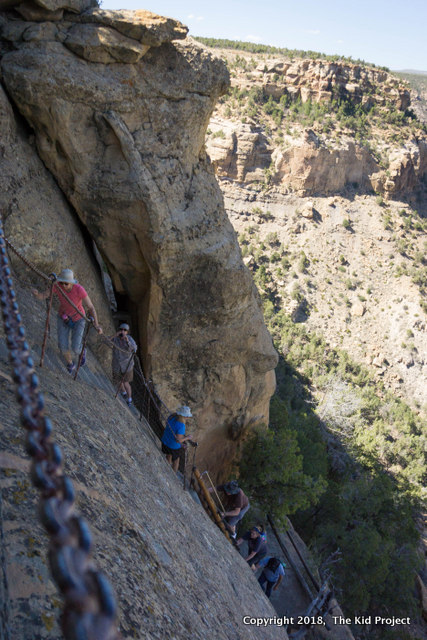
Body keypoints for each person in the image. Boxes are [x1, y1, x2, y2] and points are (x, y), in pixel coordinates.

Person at [32, 268, 102, 374]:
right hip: (63, 317)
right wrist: (37, 294)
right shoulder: (57, 286)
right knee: (62, 345)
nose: (63, 286)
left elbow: (91, 307)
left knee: (75, 348)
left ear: (71, 283)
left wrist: (96, 325)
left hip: (79, 319)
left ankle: (82, 352)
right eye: (62, 283)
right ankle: (70, 363)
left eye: (66, 284)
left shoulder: (79, 289)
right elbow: (44, 295)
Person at [161, 406, 194, 472]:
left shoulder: (172, 416)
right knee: (176, 461)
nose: (188, 417)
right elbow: (178, 440)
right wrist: (187, 437)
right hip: (172, 446)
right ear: (184, 416)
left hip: (165, 441)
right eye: (187, 416)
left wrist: (181, 444)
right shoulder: (181, 425)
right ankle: (173, 475)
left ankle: (167, 468)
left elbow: (170, 428)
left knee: (169, 455)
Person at [111, 323, 137, 406]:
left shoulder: (129, 339)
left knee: (126, 383)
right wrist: (115, 335)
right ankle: (124, 393)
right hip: (116, 364)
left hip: (127, 365)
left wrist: (127, 342)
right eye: (121, 329)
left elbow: (134, 349)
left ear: (127, 332)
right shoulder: (116, 338)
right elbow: (105, 341)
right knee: (118, 381)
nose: (122, 331)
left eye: (125, 330)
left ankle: (129, 399)